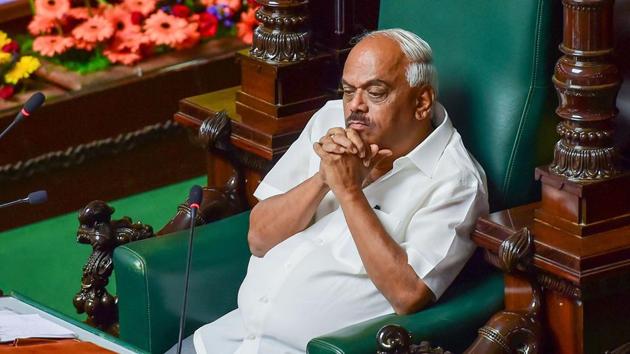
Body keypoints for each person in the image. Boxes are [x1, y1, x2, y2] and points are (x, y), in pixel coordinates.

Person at [168, 28, 488, 354]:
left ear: (421, 102)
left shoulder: (456, 182)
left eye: (375, 93)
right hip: (230, 337)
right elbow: (259, 237)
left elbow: (407, 294)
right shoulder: (330, 120)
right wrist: (324, 178)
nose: (355, 107)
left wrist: (349, 191)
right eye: (349, 91)